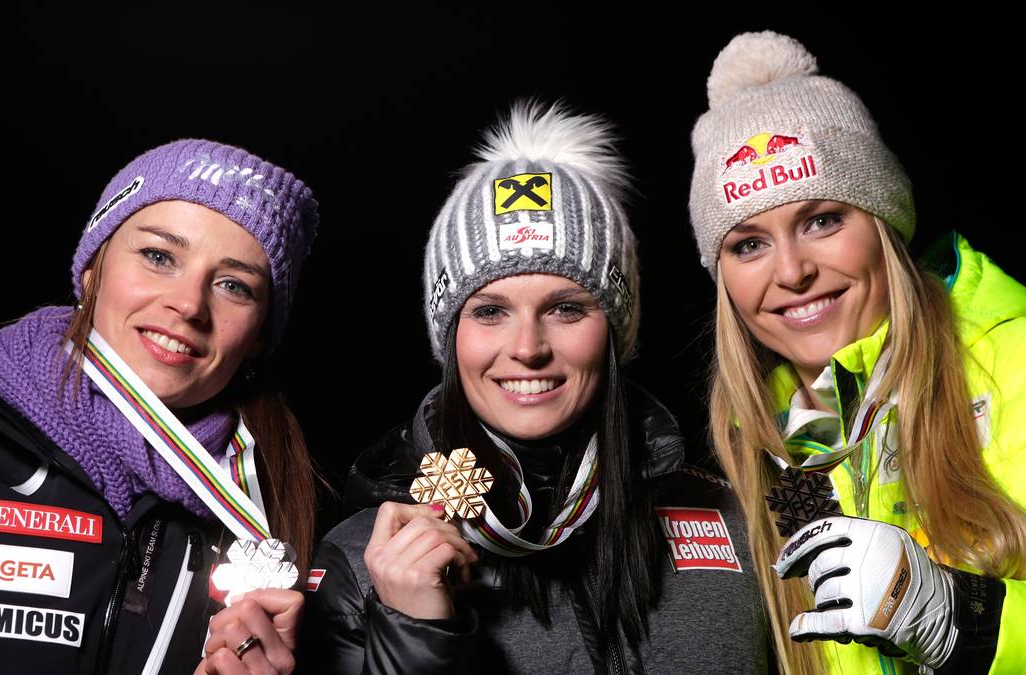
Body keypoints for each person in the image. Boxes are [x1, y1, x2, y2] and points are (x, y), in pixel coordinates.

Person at [686, 31, 1026, 675]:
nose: (791, 272)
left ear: (885, 224)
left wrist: (965, 620)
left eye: (822, 220)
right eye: (749, 244)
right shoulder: (767, 451)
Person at [300, 103, 771, 673]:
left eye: (567, 308)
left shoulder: (737, 517)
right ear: (450, 341)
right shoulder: (364, 560)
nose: (528, 347)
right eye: (491, 310)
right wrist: (417, 635)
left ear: (615, 334)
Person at [0, 139, 321, 674]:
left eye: (234, 285)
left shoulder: (263, 511)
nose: (188, 304)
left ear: (258, 336)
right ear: (93, 267)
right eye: (159, 256)